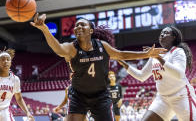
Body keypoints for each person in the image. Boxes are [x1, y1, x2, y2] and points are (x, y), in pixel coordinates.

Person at [30, 13, 166, 121]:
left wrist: (146, 54)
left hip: (101, 96)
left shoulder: (102, 46)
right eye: (76, 26)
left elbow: (121, 55)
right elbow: (58, 49)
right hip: (79, 96)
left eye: (82, 25)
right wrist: (44, 29)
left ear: (90, 30)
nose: (78, 27)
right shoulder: (72, 48)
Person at [118, 26, 196, 121]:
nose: (162, 34)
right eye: (161, 33)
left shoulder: (178, 52)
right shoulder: (155, 55)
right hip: (163, 99)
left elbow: (179, 74)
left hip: (181, 96)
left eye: (166, 33)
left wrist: (158, 57)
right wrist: (124, 63)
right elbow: (142, 76)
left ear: (174, 37)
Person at [0, 48, 34, 121]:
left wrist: (27, 112)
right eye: (2, 59)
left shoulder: (15, 79)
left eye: (8, 59)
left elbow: (19, 98)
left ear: (11, 62)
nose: (5, 61)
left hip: (5, 111)